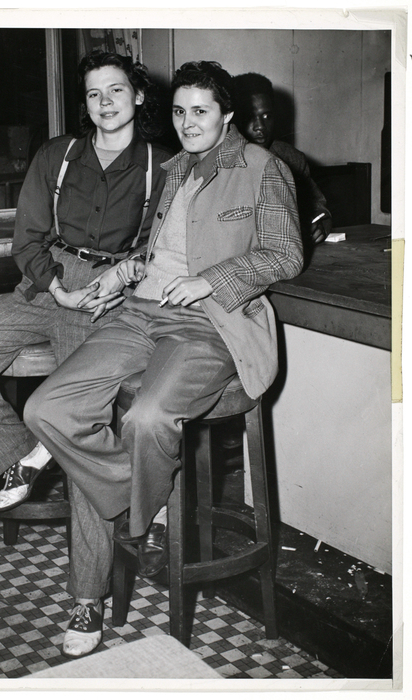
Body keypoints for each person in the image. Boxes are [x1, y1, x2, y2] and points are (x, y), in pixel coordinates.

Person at [23, 60, 304, 658]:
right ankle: (136, 498)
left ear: (227, 115)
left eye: (201, 111)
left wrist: (212, 280)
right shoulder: (175, 169)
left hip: (211, 324)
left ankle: (133, 520)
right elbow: (161, 253)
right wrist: (128, 270)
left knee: (148, 417)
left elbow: (285, 254)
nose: (187, 122)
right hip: (141, 314)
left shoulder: (262, 168)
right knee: (45, 409)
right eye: (179, 111)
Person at [0, 52, 170, 532]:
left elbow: (162, 248)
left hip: (106, 297)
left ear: (138, 96)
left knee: (76, 422)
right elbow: (28, 238)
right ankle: (27, 457)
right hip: (44, 284)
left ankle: (92, 577)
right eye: (94, 93)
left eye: (116, 90)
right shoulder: (58, 155)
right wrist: (55, 287)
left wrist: (123, 276)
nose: (105, 101)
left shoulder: (164, 166)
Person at [234, 71, 332, 245]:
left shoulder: (291, 158)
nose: (260, 126)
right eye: (249, 116)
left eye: (267, 116)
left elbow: (318, 208)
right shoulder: (222, 160)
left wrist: (321, 224)